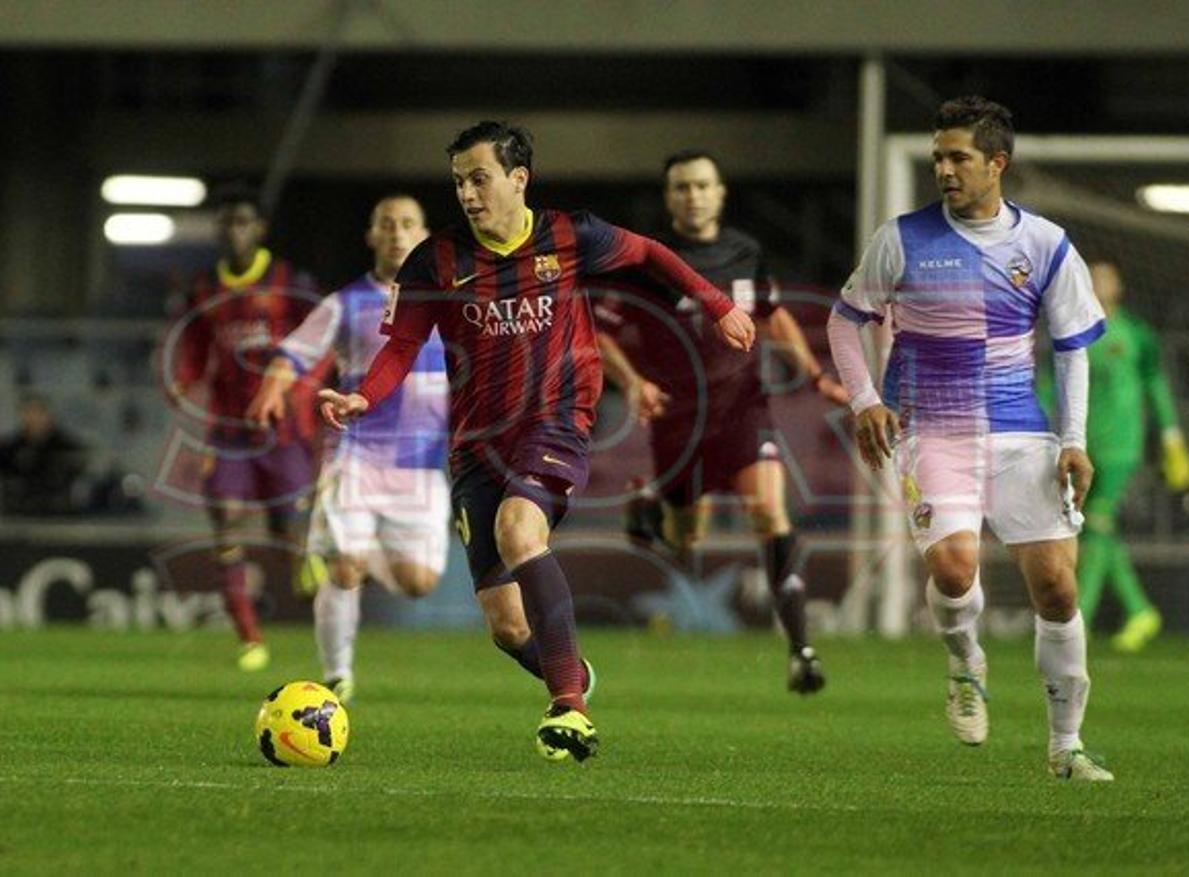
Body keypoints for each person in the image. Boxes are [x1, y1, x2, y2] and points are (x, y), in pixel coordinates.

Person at [318, 121, 755, 762]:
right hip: (477, 444)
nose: (467, 194)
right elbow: (402, 346)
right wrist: (363, 397)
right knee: (506, 625)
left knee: (520, 532)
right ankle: (570, 671)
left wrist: (717, 304)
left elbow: (649, 253)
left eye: (479, 179)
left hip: (556, 419)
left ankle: (569, 707)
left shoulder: (570, 234)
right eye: (459, 182)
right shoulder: (434, 261)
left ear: (518, 178)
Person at [826, 96, 1113, 781]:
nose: (945, 170)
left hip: (1021, 431)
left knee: (1057, 588)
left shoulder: (1045, 244)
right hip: (933, 429)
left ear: (997, 163)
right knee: (955, 570)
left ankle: (1066, 746)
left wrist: (1073, 440)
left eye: (959, 158)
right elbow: (844, 321)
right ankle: (966, 662)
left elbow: (1072, 348)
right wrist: (865, 400)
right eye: (938, 158)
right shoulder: (902, 238)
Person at [596, 149, 848, 694]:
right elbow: (601, 333)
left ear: (720, 193)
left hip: (742, 408)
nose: (693, 196)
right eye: (682, 187)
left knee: (769, 512)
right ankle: (650, 512)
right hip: (678, 421)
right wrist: (633, 382)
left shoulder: (743, 252)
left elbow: (772, 316)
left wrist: (812, 374)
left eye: (702, 185)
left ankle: (801, 649)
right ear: (670, 198)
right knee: (685, 539)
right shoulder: (647, 262)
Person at [248, 195, 449, 703]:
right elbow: (294, 354)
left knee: (418, 582)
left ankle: (346, 553)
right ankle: (337, 673)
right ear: (371, 236)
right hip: (356, 456)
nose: (397, 233)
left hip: (421, 465)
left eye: (408, 224)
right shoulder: (347, 302)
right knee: (344, 569)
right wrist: (272, 389)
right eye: (388, 224)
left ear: (424, 235)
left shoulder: (450, 302)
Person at [168, 183, 323, 672]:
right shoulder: (204, 289)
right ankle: (249, 636)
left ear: (260, 228)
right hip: (228, 431)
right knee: (227, 520)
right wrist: (183, 378)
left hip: (283, 430)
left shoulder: (290, 282)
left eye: (243, 222)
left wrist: (304, 390)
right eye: (227, 222)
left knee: (289, 530)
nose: (234, 231)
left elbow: (322, 337)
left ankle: (305, 564)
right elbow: (193, 344)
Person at [1046, 261, 1189, 652]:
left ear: (1118, 288)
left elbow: (1156, 384)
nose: (1097, 284)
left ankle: (1080, 618)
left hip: (1121, 448)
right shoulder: (1072, 329)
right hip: (1082, 445)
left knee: (1096, 522)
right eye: (1091, 278)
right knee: (1095, 528)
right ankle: (1140, 609)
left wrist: (1172, 437)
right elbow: (1049, 382)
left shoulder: (1137, 334)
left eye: (1104, 279)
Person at [0, 394, 89, 515]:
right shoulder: (9, 448)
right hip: (18, 514)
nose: (35, 418)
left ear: (49, 415)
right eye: (30, 412)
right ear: (22, 415)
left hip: (58, 515)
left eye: (39, 412)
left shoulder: (67, 446)